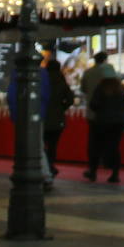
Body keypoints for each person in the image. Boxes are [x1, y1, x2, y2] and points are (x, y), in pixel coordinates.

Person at [6, 53, 54, 190]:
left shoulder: (18, 73)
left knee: (30, 145)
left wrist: (14, 113)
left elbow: (12, 95)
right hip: (39, 113)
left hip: (23, 114)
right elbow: (47, 94)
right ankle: (43, 174)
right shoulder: (44, 74)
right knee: (37, 144)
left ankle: (43, 174)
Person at [85, 74, 124, 183]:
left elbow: (93, 104)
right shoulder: (122, 89)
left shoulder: (101, 88)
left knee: (96, 147)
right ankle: (115, 173)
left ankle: (93, 172)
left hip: (102, 122)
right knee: (114, 147)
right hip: (119, 122)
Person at [79, 51, 118, 166]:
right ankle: (107, 162)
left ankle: (93, 165)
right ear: (105, 60)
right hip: (108, 112)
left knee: (93, 141)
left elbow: (83, 89)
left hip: (92, 111)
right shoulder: (108, 73)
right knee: (109, 140)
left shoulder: (88, 73)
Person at [42, 45, 75, 180]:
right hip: (57, 118)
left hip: (43, 117)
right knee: (53, 145)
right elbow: (70, 99)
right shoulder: (61, 82)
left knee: (42, 143)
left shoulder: (42, 81)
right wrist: (62, 107)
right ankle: (50, 164)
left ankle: (45, 165)